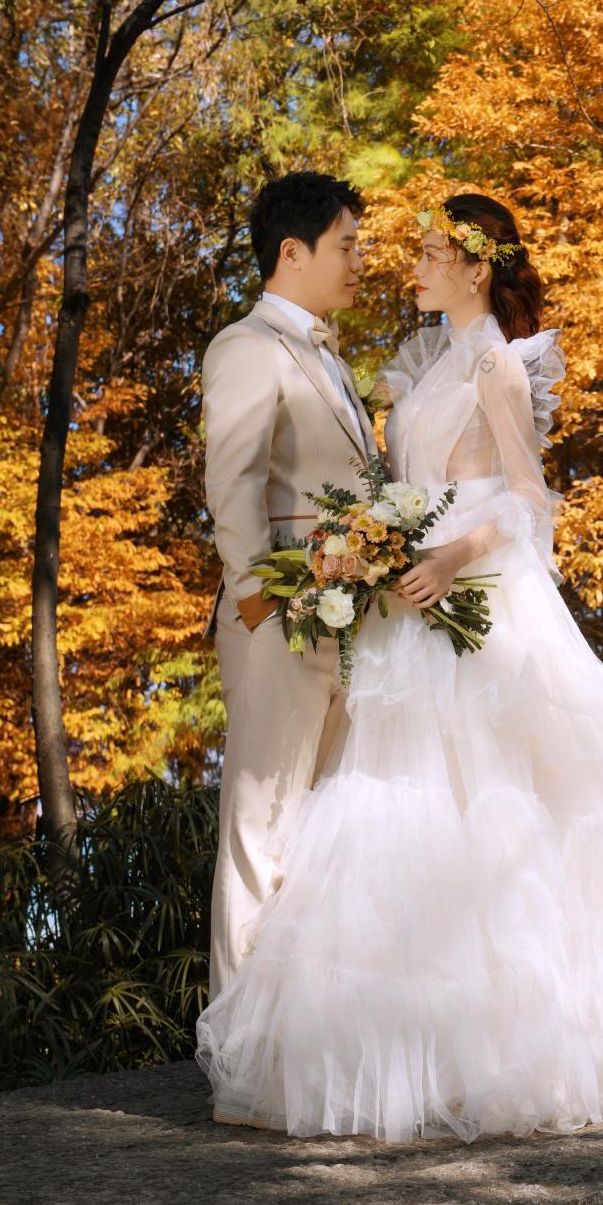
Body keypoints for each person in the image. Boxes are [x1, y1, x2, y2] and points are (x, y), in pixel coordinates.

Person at [196, 193, 603, 1142]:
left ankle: (513, 1038)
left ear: (476, 267)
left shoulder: (494, 363)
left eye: (430, 253)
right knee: (387, 814)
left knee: (497, 805)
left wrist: (446, 555)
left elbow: (529, 498)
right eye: (379, 248)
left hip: (471, 600)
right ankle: (334, 1049)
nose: (405, 266)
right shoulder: (410, 362)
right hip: (394, 613)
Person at [200, 171, 378, 1032]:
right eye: (348, 245)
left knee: (321, 840)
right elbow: (231, 483)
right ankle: (240, 1053)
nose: (360, 262)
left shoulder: (332, 359)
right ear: (292, 252)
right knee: (261, 833)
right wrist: (258, 605)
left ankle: (301, 1046)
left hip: (350, 621)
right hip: (277, 618)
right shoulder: (245, 346)